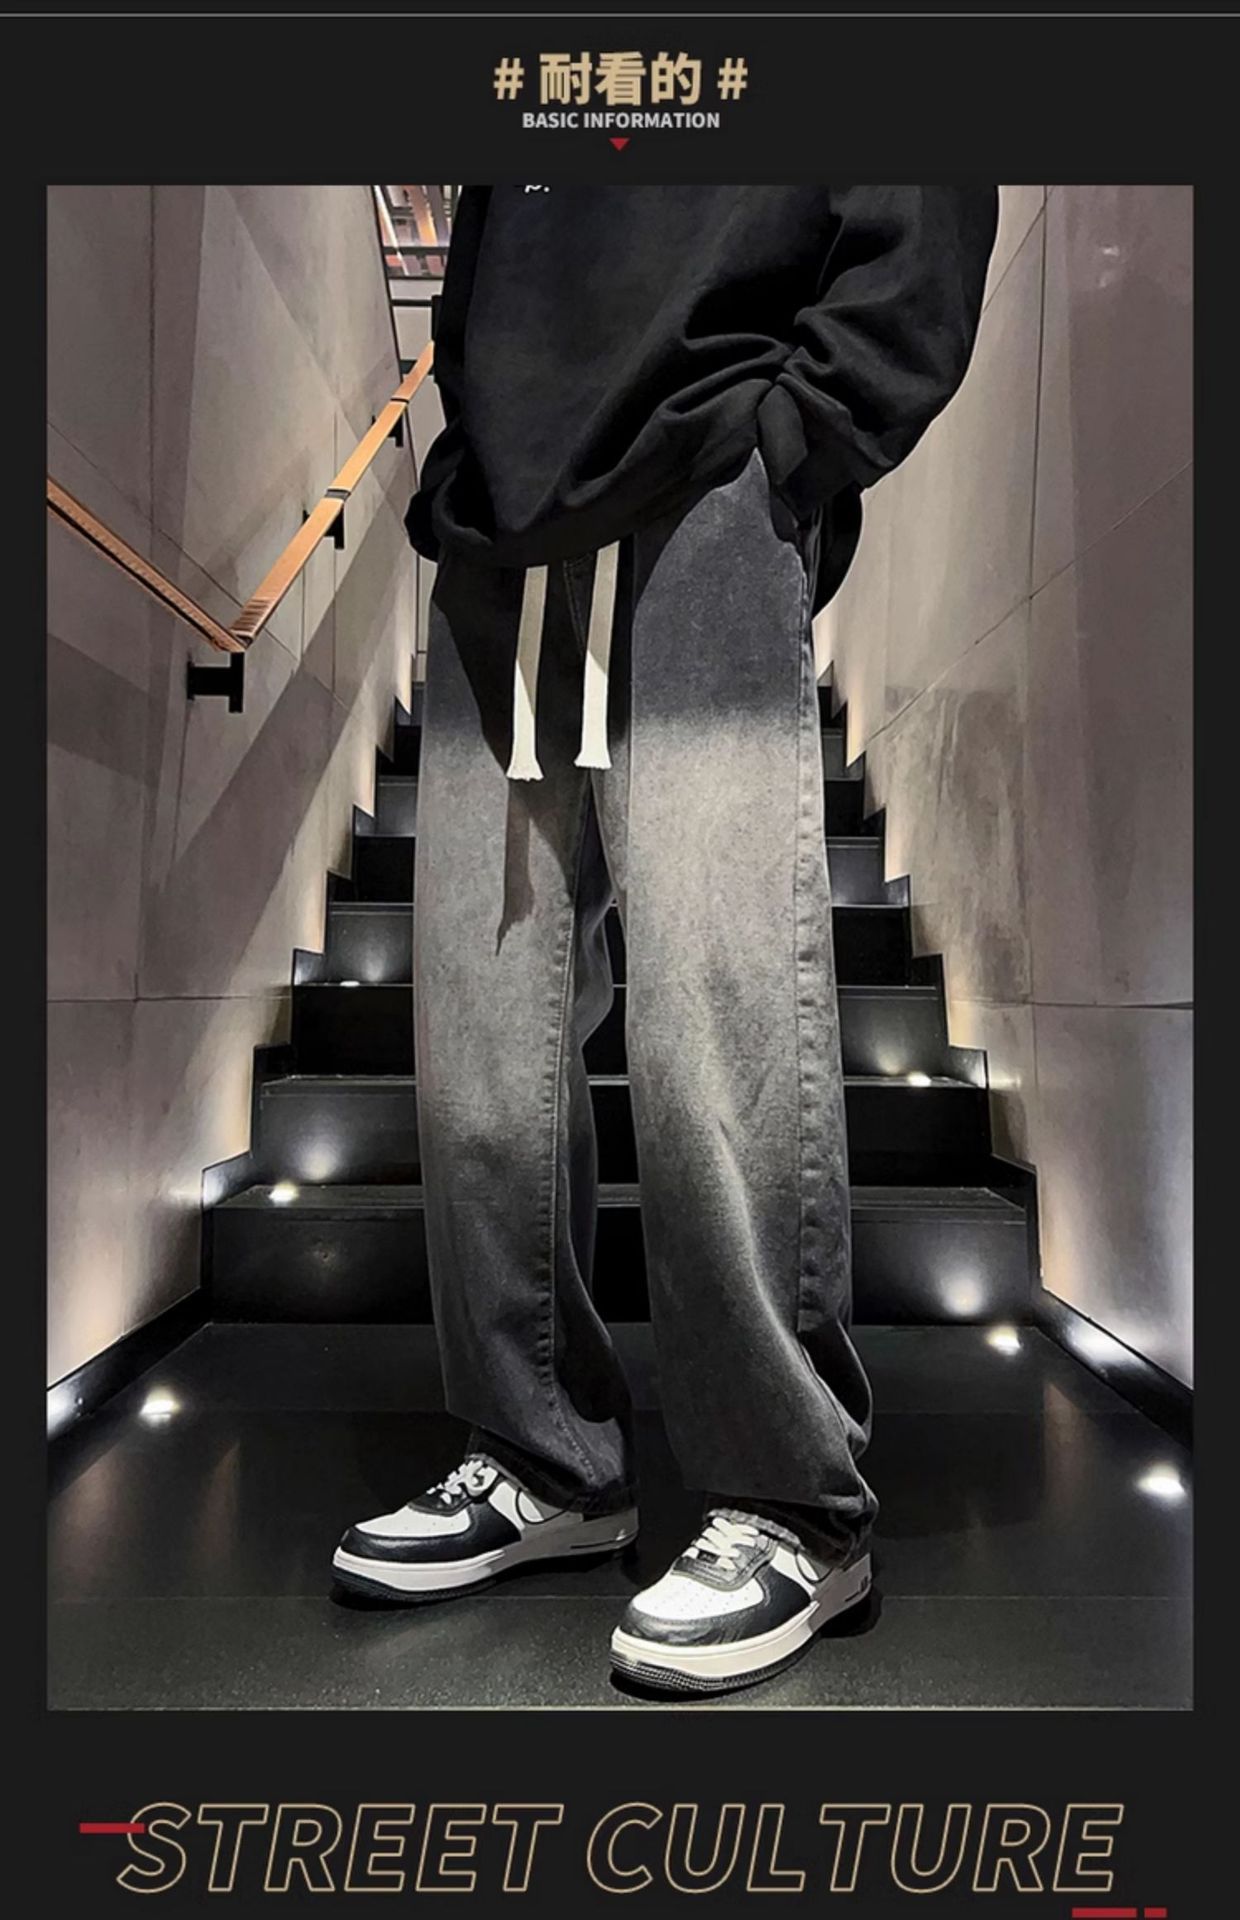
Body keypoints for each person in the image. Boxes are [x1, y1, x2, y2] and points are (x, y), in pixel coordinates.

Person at [333, 185, 998, 1695]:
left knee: (719, 1006)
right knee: (479, 1032)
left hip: (710, 469)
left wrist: (804, 428)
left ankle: (791, 1497)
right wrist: (470, 440)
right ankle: (542, 1455)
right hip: (501, 525)